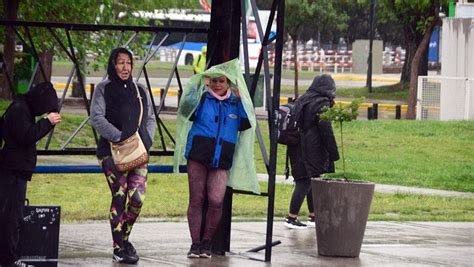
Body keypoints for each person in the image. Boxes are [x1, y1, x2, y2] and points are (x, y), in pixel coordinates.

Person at [173, 59, 259, 259]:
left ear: (229, 83)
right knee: (197, 199)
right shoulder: (202, 99)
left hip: (221, 159)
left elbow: (246, 123)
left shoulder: (235, 104)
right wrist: (196, 88)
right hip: (198, 156)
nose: (218, 84)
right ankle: (195, 244)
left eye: (222, 81)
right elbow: (186, 110)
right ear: (208, 82)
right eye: (214, 81)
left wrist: (241, 100)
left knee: (216, 201)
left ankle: (207, 242)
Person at [90, 47, 156, 264]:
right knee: (120, 195)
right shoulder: (103, 89)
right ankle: (118, 248)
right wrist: (118, 137)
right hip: (112, 153)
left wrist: (147, 141)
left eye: (128, 62)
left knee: (137, 199)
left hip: (137, 153)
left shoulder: (140, 89)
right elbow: (97, 117)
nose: (125, 67)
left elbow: (150, 118)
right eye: (120, 62)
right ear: (112, 64)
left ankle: (124, 239)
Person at [0, 81, 61, 266]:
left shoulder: (22, 108)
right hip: (12, 171)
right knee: (10, 217)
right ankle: (8, 259)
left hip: (16, 170)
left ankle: (9, 257)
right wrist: (46, 122)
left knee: (12, 216)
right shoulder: (19, 110)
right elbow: (26, 136)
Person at [284, 74, 340, 229]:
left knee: (311, 180)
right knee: (304, 181)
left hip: (296, 146)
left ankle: (313, 215)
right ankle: (291, 217)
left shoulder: (304, 98)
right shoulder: (321, 102)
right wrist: (334, 152)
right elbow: (325, 128)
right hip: (311, 148)